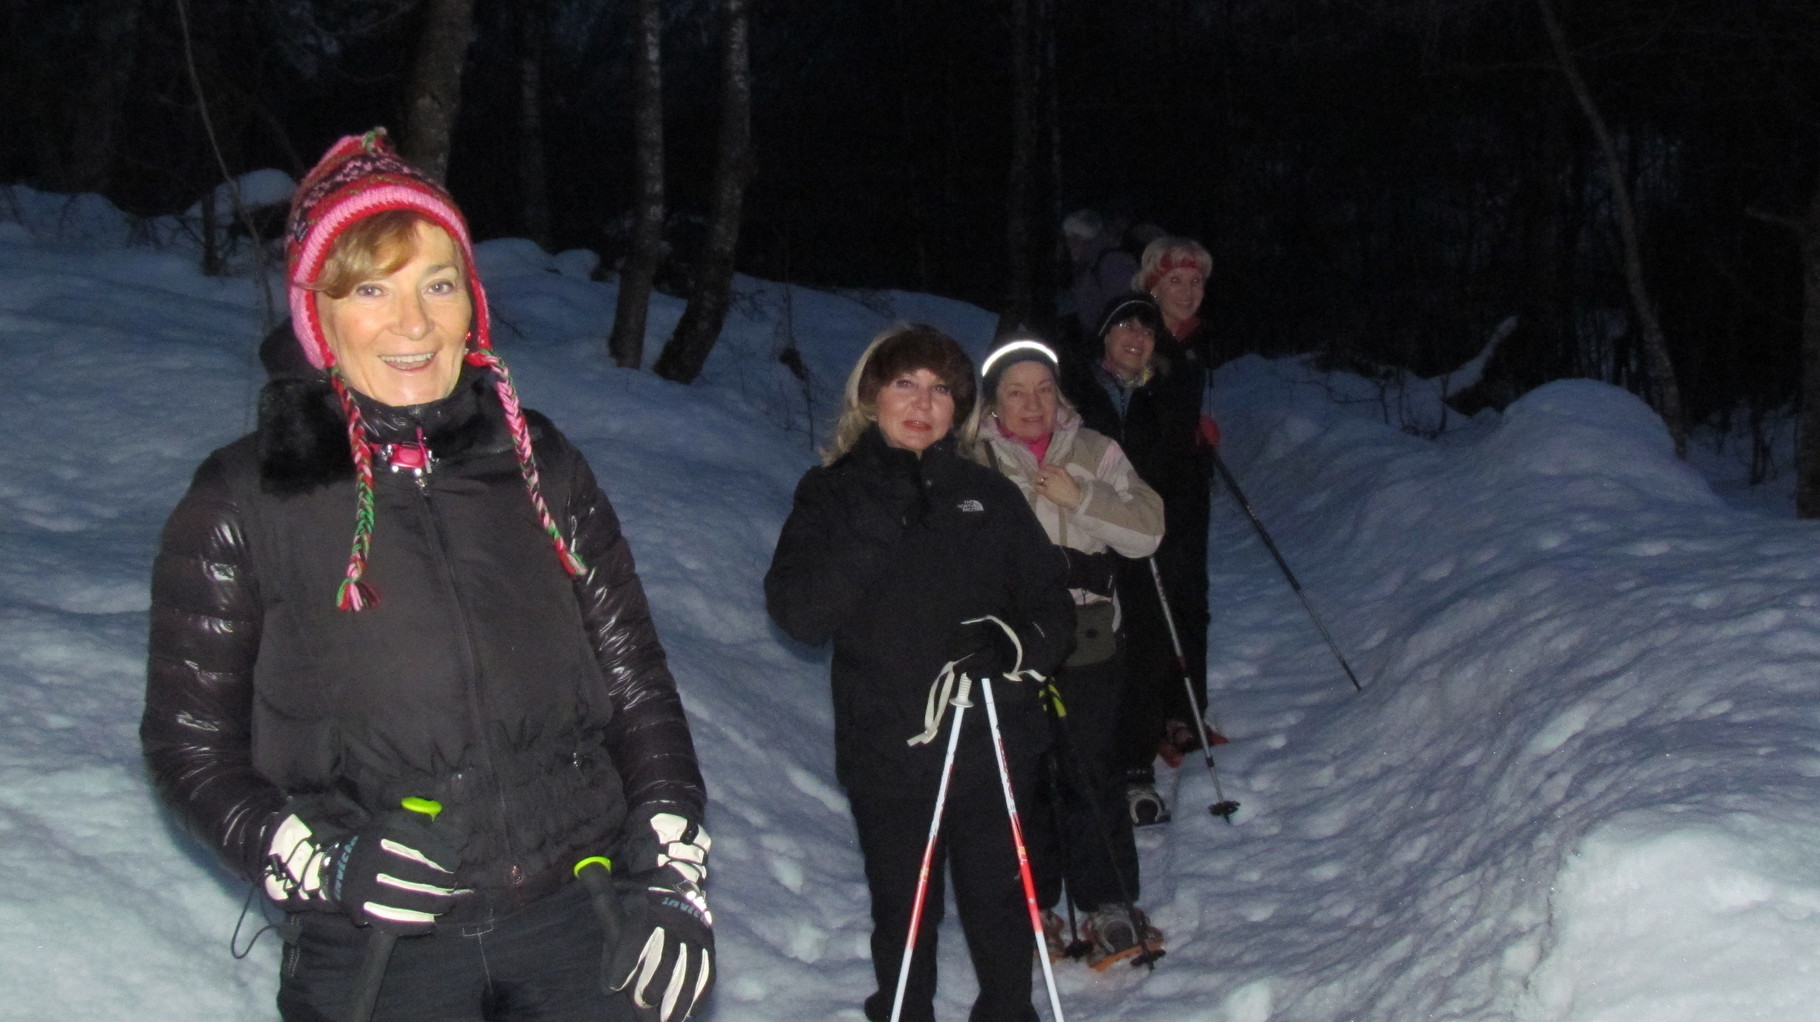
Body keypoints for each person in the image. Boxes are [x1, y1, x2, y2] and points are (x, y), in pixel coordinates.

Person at [141, 129, 712, 1022]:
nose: (414, 324)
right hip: (375, 954)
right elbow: (188, 744)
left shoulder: (538, 463)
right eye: (371, 289)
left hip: (580, 920)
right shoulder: (243, 499)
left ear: (471, 305)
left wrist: (673, 865)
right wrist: (316, 860)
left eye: (438, 284)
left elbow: (635, 681)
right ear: (316, 314)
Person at [764, 325, 1073, 1022]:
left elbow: (1050, 605)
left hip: (994, 746)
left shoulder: (987, 495)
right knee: (904, 919)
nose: (923, 402)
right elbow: (801, 614)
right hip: (891, 753)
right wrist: (881, 517)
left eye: (941, 389)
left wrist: (1012, 644)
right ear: (871, 394)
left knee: (999, 912)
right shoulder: (831, 494)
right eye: (906, 383)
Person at [969, 336, 1166, 969]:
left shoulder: (1095, 450)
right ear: (994, 402)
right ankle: (1036, 904)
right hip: (1012, 644)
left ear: (1060, 394)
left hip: (1088, 636)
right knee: (1023, 776)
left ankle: (1109, 902)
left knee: (1090, 769)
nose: (1033, 404)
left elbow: (1148, 532)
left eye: (1044, 389)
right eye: (1016, 392)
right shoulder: (972, 460)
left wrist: (1079, 499)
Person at [1063, 292, 1214, 826]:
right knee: (1091, 647)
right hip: (1084, 535)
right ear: (1104, 334)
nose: (1136, 337)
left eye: (1147, 331)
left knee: (1146, 647)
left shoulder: (1168, 391)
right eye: (1124, 325)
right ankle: (1084, 763)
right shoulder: (1074, 389)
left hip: (1144, 536)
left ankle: (1134, 767)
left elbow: (1177, 467)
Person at [1061, 209, 1140, 348]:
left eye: (1072, 238)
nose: (1069, 245)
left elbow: (1125, 307)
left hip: (1112, 345)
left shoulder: (1113, 262)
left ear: (1082, 238)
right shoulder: (1089, 265)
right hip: (1097, 343)